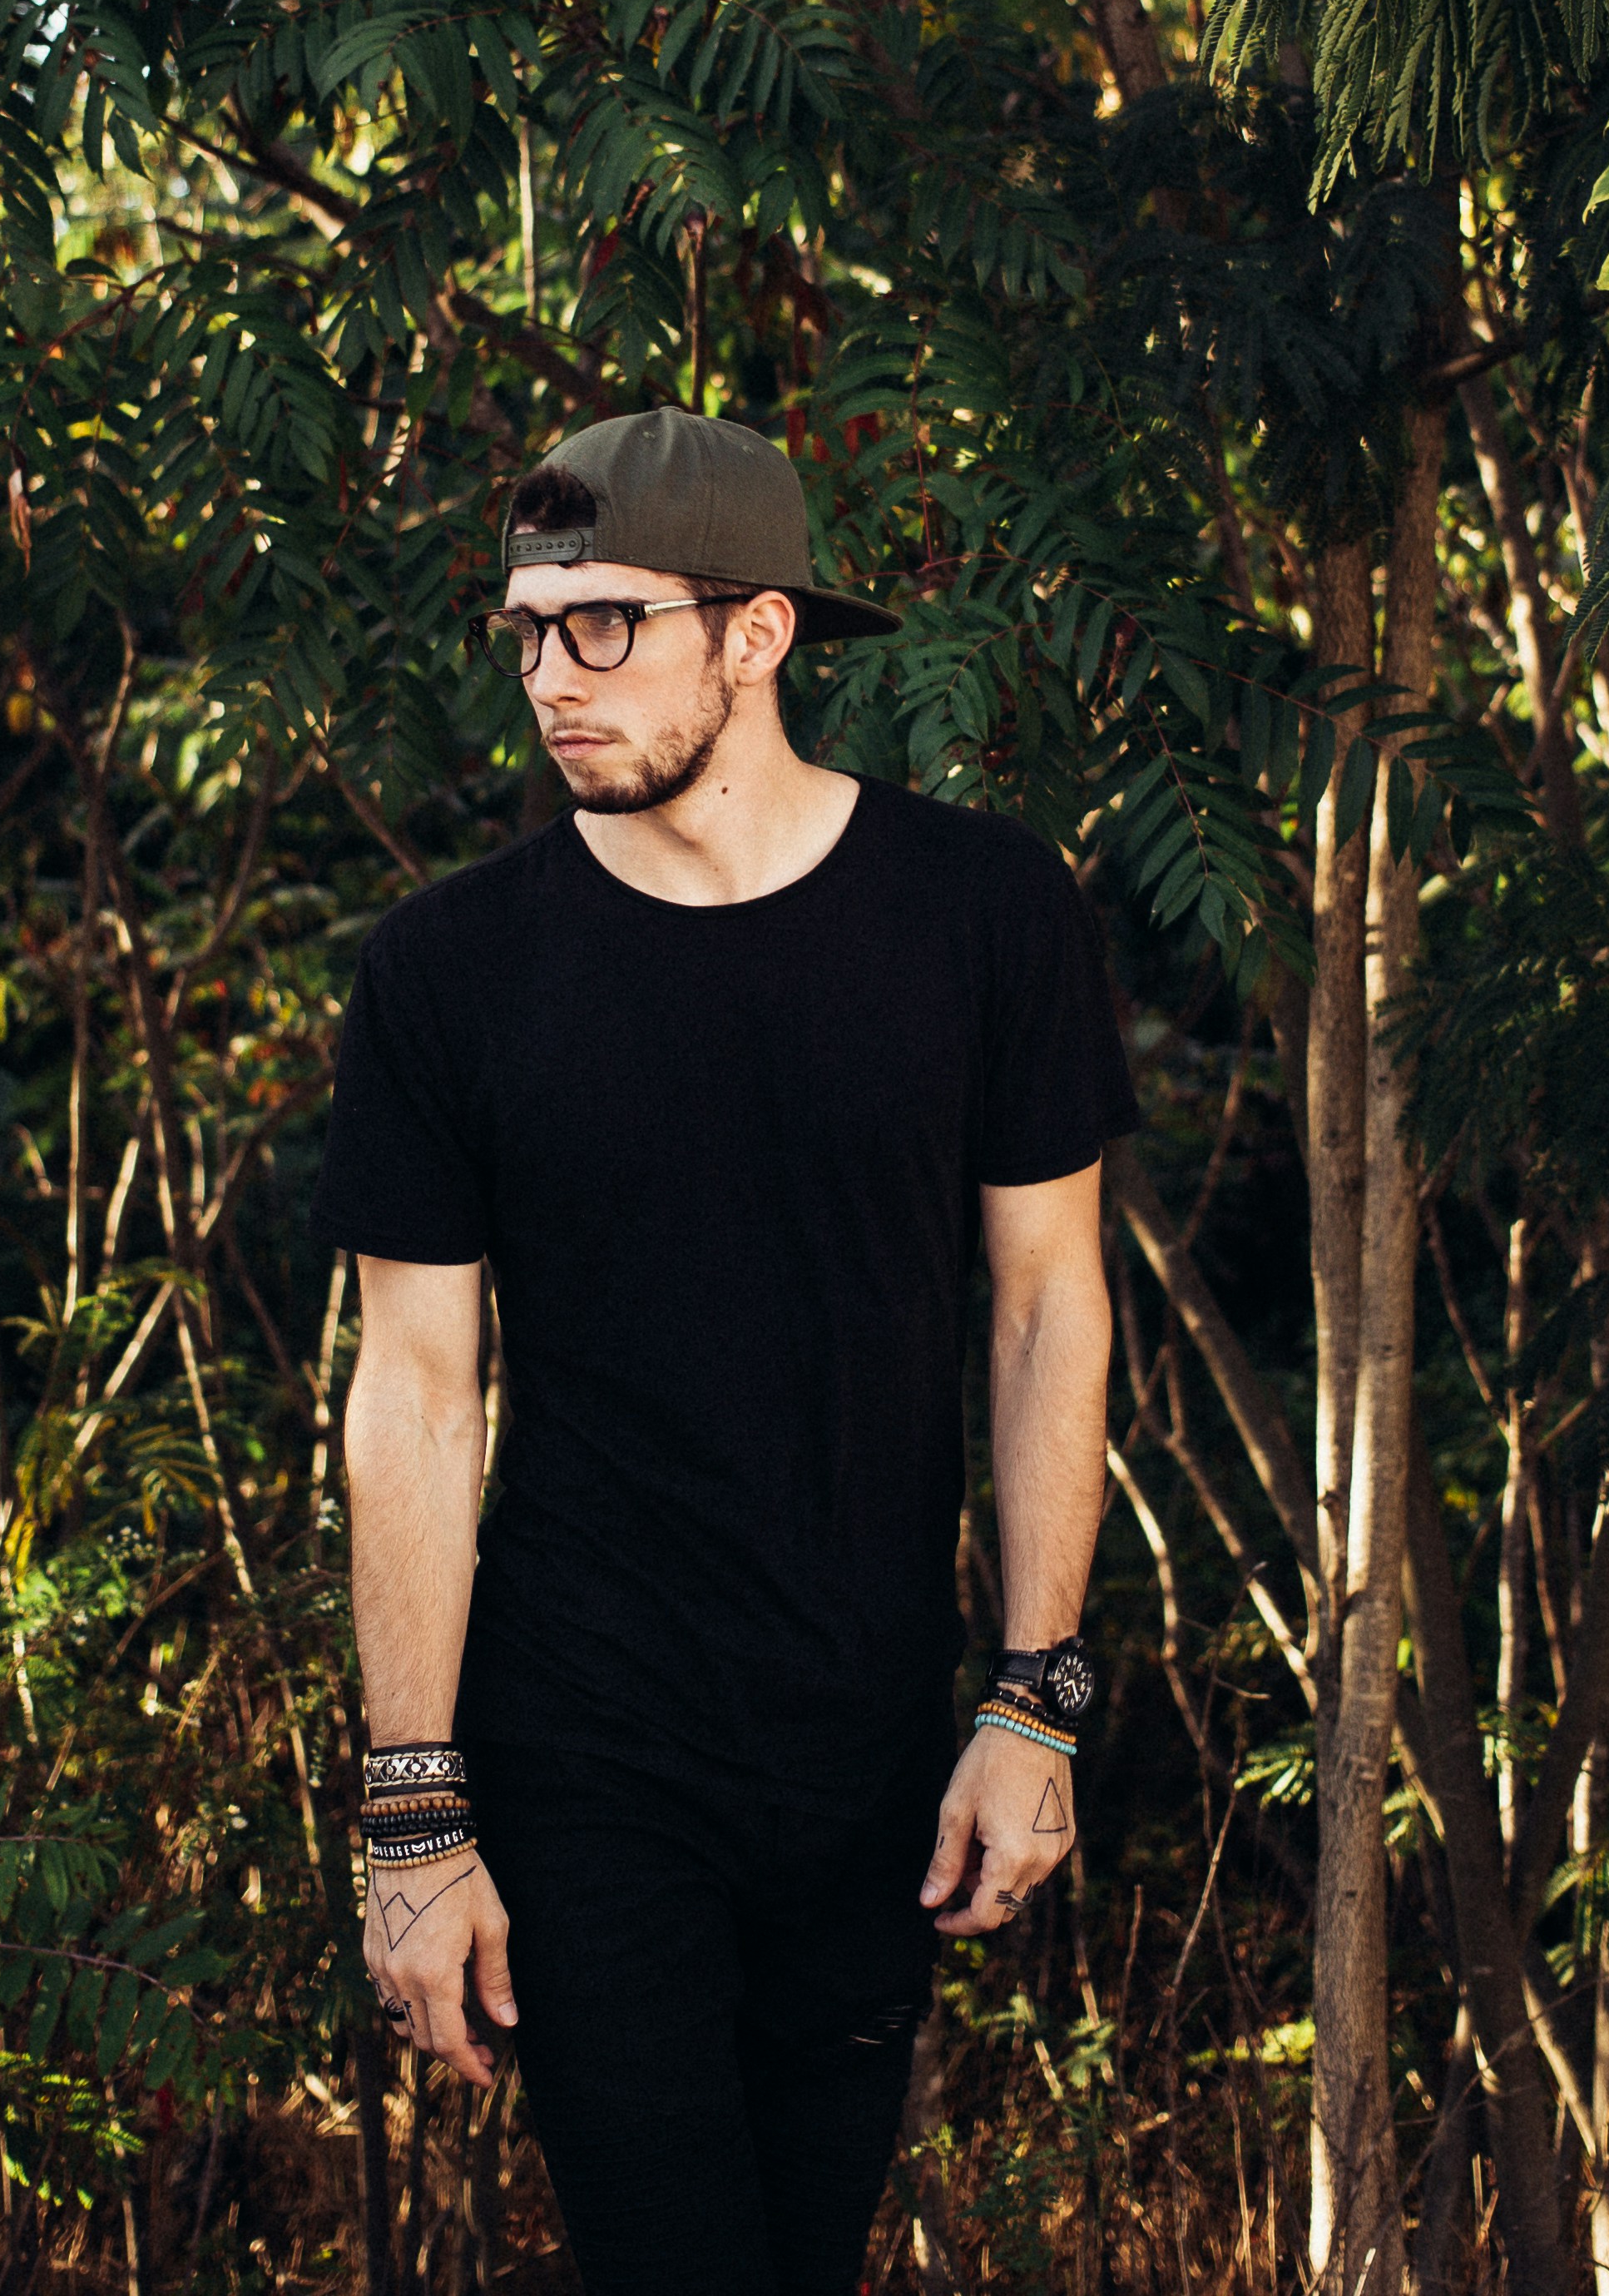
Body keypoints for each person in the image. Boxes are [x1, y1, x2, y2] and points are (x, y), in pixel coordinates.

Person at [316, 406, 1133, 2296]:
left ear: (756, 634)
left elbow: (1046, 1309)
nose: (548, 677)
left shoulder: (983, 917)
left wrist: (1037, 1701)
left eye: (600, 625)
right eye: (527, 631)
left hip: (867, 1739)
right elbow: (418, 1400)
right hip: (584, 1739)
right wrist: (414, 1809)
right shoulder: (450, 975)